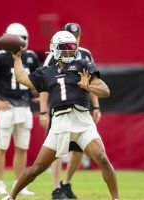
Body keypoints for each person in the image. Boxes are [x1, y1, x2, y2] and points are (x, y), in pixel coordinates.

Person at [2, 30, 119, 200]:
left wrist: (88, 87)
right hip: (60, 122)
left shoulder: (83, 65)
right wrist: (17, 58)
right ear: (55, 49)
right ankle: (11, 196)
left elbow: (105, 91)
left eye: (72, 48)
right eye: (65, 48)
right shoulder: (47, 71)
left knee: (102, 158)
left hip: (82, 119)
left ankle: (116, 198)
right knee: (38, 167)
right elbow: (22, 78)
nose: (69, 51)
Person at [40, 22, 101, 199]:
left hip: (81, 107)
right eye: (70, 35)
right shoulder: (54, 53)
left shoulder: (85, 54)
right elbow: (44, 82)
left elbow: (92, 82)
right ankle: (56, 187)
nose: (74, 39)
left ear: (80, 36)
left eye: (76, 36)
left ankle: (66, 183)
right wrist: (43, 111)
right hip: (60, 107)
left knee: (80, 148)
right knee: (59, 148)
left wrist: (96, 106)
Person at [0, 23, 39, 196]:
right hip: (6, 107)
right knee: (1, 146)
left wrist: (35, 93)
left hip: (24, 107)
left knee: (22, 147)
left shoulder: (31, 56)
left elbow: (35, 80)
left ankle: (18, 184)